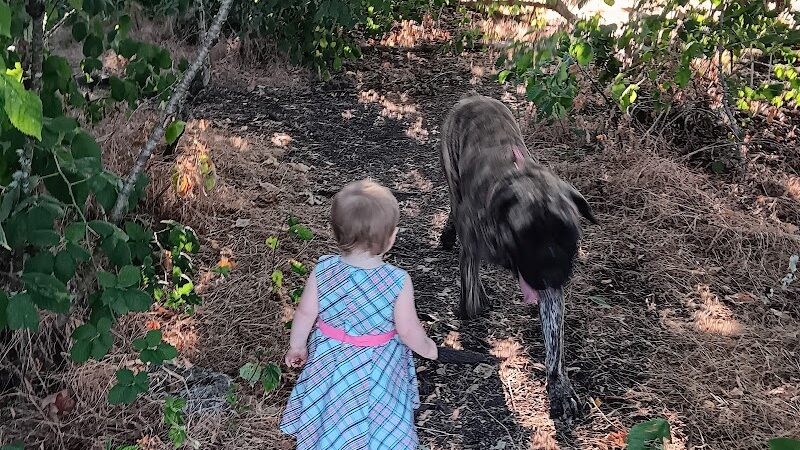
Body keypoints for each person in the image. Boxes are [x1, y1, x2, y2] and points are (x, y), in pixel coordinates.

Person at [280, 179, 439, 450]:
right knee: (380, 413)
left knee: (331, 409)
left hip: (330, 361)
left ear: (336, 233)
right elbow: (408, 330)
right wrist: (429, 348)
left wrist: (297, 346)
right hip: (378, 366)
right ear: (391, 238)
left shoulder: (324, 269)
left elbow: (306, 312)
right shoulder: (396, 281)